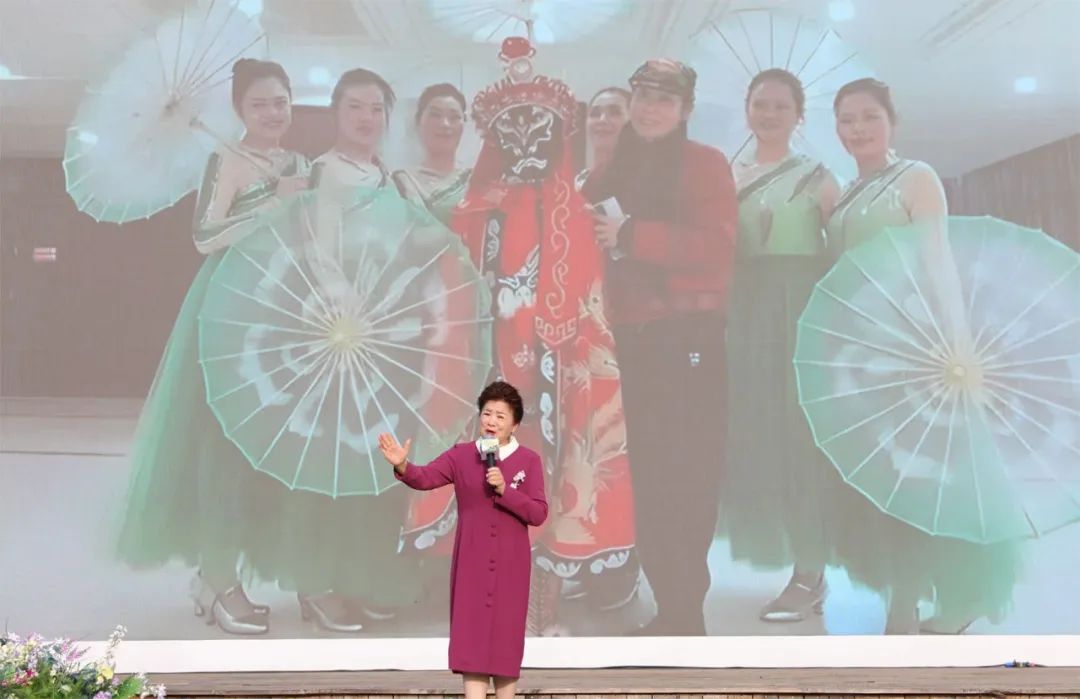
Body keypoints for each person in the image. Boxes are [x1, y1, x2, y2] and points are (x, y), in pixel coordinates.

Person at [452, 37, 641, 634]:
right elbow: (462, 291)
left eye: (538, 129)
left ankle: (542, 608)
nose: (525, 143)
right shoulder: (477, 208)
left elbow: (592, 298)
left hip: (560, 370)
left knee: (553, 478)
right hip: (493, 364)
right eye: (511, 130)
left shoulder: (576, 207)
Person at [116, 58, 309, 635]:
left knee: (264, 450)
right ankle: (222, 580)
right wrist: (274, 204)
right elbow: (204, 237)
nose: (272, 113)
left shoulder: (298, 164)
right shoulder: (224, 159)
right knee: (222, 446)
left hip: (281, 310)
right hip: (229, 307)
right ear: (239, 110)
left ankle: (213, 575)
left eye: (280, 102)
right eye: (259, 104)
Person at [824, 77, 1022, 634]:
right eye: (846, 120)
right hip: (862, 353)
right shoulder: (844, 192)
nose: (858, 128)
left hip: (915, 345)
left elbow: (939, 263)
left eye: (870, 116)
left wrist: (956, 344)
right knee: (885, 481)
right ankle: (902, 597)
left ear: (893, 121)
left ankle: (945, 598)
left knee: (928, 476)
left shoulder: (916, 178)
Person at [582, 58, 738, 635]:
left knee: (687, 476)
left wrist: (632, 234)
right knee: (641, 478)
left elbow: (716, 250)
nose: (650, 109)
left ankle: (685, 612)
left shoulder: (705, 164)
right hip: (625, 345)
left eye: (664, 100)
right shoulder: (607, 173)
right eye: (643, 97)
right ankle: (668, 603)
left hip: (687, 340)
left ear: (685, 110)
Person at [719, 68, 840, 622]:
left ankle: (811, 571)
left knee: (802, 440)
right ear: (747, 109)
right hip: (744, 313)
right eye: (760, 104)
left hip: (800, 313)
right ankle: (797, 561)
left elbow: (839, 253)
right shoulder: (727, 174)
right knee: (756, 434)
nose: (768, 114)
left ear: (798, 115)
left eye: (780, 106)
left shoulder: (819, 178)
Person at [378, 381, 548, 699]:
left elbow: (538, 513)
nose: (491, 421)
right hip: (472, 564)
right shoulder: (462, 455)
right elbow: (425, 477)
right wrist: (402, 465)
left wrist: (505, 490)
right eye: (487, 413)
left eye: (500, 416)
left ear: (515, 424)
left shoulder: (528, 461)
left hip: (511, 566)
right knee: (473, 645)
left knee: (505, 644)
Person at [392, 83, 472, 225]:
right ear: (418, 121)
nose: (445, 124)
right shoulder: (401, 184)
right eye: (435, 115)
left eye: (454, 117)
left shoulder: (476, 181)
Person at [576, 87, 631, 190]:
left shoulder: (643, 181)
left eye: (615, 113)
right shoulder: (576, 184)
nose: (602, 120)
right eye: (595, 114)